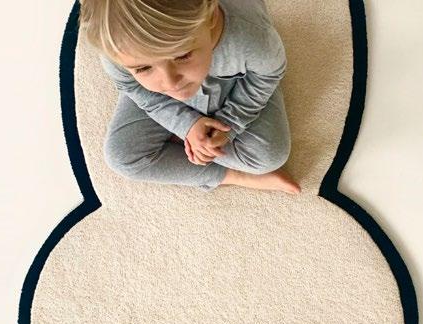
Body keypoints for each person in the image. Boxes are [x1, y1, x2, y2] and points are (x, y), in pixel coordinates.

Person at [78, 0, 301, 194]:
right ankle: (233, 176)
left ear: (211, 18)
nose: (170, 82)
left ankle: (188, 141)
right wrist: (185, 125)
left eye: (182, 55)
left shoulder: (253, 38)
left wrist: (230, 124)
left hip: (237, 82)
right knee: (122, 156)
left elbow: (268, 74)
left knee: (269, 156)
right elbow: (130, 86)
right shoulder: (116, 45)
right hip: (157, 98)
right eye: (143, 68)